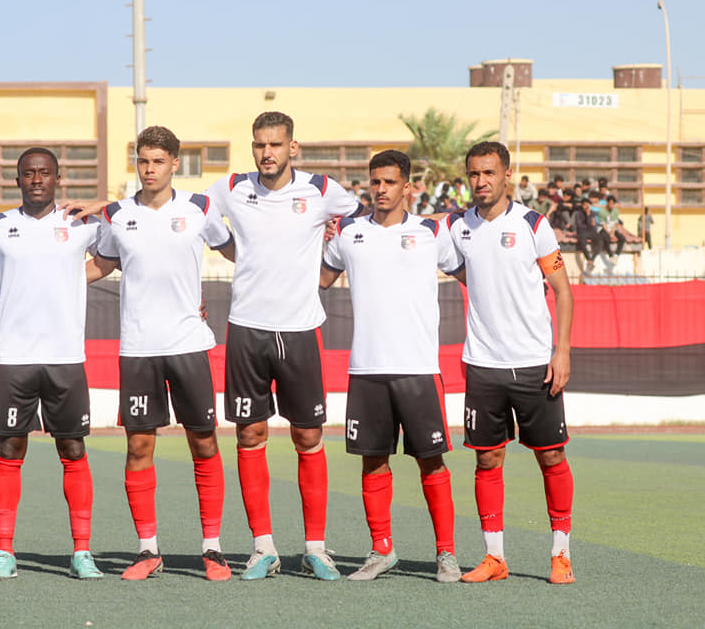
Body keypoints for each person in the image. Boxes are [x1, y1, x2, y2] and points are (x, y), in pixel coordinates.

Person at [204, 111, 366, 581]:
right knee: (250, 435)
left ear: (293, 147)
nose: (267, 153)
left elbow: (364, 217)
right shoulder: (231, 187)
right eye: (259, 144)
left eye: (275, 144)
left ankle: (315, 548)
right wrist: (233, 249)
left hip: (300, 330)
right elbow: (191, 212)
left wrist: (332, 238)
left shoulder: (321, 189)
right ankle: (263, 548)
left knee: (308, 437)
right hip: (246, 328)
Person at [86, 126, 235, 581]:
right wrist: (46, 278)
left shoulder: (200, 208)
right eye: (142, 161)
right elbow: (101, 264)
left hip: (189, 345)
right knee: (138, 446)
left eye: (157, 161)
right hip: (138, 349)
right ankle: (147, 550)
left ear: (174, 163)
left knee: (204, 442)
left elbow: (238, 252)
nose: (148, 169)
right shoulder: (116, 215)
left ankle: (212, 549)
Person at [0, 148, 103, 580]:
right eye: (29, 173)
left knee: (73, 450)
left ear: (58, 178)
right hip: (14, 358)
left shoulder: (81, 224)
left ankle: (82, 552)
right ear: (18, 180)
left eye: (45, 173)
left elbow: (118, 256)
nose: (37, 179)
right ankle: (4, 552)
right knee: (10, 449)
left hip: (65, 358)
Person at [320, 150, 464, 583]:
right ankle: (381, 549)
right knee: (373, 462)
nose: (380, 190)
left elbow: (474, 277)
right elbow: (318, 279)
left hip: (418, 368)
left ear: (408, 187)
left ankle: (446, 554)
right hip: (366, 368)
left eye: (389, 182)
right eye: (375, 182)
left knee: (431, 462)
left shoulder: (432, 232)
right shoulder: (348, 232)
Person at [447, 141, 575, 585]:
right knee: (488, 460)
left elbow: (562, 290)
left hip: (535, 363)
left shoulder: (533, 224)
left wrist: (562, 350)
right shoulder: (456, 226)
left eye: (489, 173)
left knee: (551, 456)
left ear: (507, 175)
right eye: (474, 174)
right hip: (483, 365)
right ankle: (494, 557)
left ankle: (561, 554)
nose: (481, 181)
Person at [597, 195, 626, 261]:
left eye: (613, 204)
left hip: (612, 229)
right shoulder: (601, 211)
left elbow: (614, 224)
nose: (611, 205)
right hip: (604, 229)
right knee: (606, 238)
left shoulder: (616, 211)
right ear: (607, 203)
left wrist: (612, 233)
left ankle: (616, 255)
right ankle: (610, 255)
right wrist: (609, 234)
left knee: (622, 238)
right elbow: (603, 224)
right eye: (610, 203)